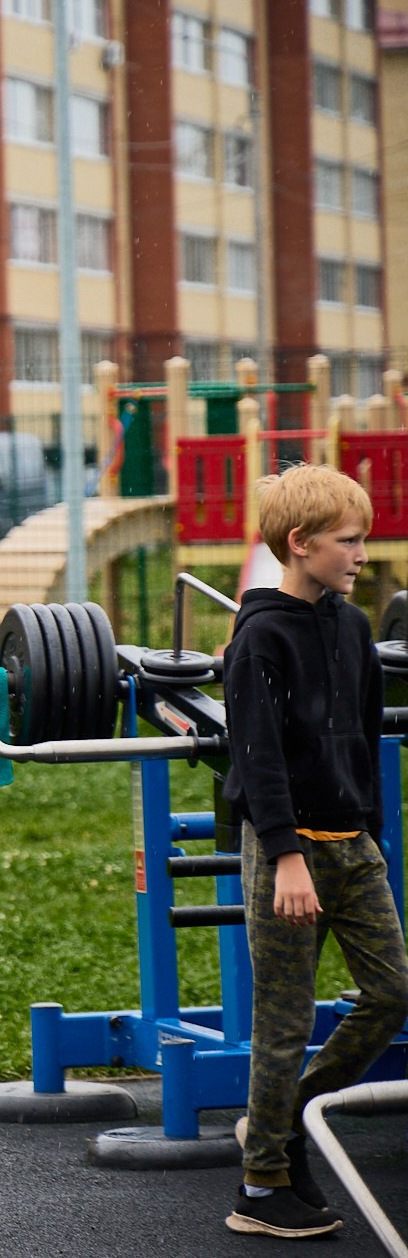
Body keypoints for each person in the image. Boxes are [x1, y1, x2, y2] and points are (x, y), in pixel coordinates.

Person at [222, 464, 408, 1240]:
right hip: (284, 853)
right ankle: (261, 1186)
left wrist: (369, 833)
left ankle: (287, 1111)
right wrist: (287, 855)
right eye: (349, 540)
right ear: (299, 544)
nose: (363, 554)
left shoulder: (352, 625)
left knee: (394, 990)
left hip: (351, 843)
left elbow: (363, 737)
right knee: (285, 1017)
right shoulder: (258, 636)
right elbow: (257, 757)